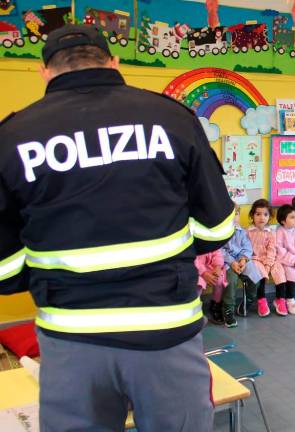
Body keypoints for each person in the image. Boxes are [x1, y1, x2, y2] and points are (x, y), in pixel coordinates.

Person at [0, 25, 234, 431]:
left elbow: (3, 269)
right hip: (165, 328)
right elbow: (217, 227)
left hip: (71, 336)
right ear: (113, 62)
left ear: (44, 71)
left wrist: (50, 275)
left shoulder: (12, 136)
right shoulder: (170, 118)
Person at [221, 205, 264, 326]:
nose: (233, 217)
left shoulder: (242, 231)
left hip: (242, 260)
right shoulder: (219, 233)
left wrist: (243, 259)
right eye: (228, 215)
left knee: (255, 277)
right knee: (231, 280)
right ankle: (228, 309)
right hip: (227, 263)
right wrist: (232, 262)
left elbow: (247, 247)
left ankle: (249, 300)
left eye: (236, 214)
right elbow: (220, 251)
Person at [246, 199, 288, 317]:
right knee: (261, 273)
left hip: (269, 259)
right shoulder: (248, 232)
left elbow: (272, 249)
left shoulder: (271, 232)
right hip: (254, 259)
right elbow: (246, 249)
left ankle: (280, 299)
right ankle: (261, 300)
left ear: (269, 217)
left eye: (265, 214)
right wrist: (262, 264)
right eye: (258, 214)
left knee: (279, 270)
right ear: (252, 215)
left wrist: (269, 263)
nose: (261, 217)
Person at [194, 249, 227, 324]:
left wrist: (218, 266)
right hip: (196, 268)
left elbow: (218, 252)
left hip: (210, 266)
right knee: (199, 283)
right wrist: (203, 273)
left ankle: (215, 306)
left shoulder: (213, 238)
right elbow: (193, 259)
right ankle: (195, 311)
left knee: (219, 280)